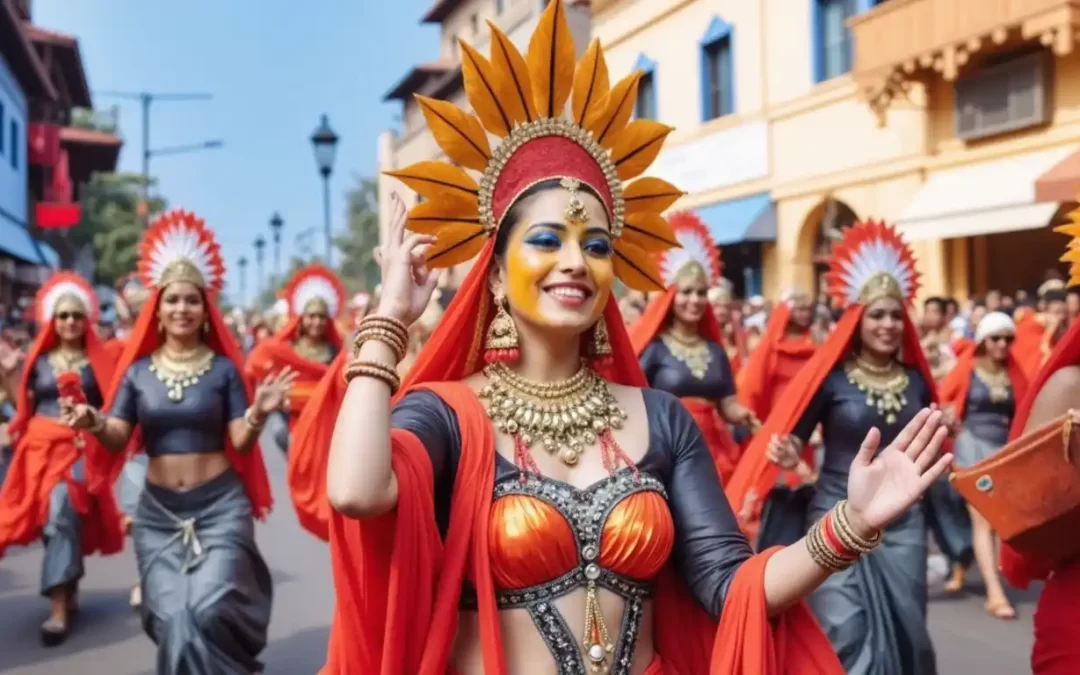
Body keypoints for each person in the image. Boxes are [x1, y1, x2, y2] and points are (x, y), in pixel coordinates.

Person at [318, 4, 953, 673]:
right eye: (546, 240)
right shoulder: (448, 415)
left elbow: (732, 587)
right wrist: (388, 322)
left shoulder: (660, 420)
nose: (574, 261)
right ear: (497, 278)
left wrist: (850, 524)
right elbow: (357, 492)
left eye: (595, 245)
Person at [65, 209, 294, 674]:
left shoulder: (225, 370)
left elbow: (241, 442)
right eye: (173, 301)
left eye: (192, 300)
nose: (182, 309)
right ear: (158, 308)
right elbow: (118, 436)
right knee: (171, 618)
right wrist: (92, 420)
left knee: (208, 609)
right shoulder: (137, 373)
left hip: (220, 507)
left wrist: (258, 411)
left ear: (204, 308)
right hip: (159, 512)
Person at [729, 219, 943, 675]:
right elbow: (794, 440)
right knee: (842, 630)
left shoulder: (920, 382)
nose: (887, 325)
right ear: (856, 319)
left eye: (895, 315)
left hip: (903, 525)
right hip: (835, 512)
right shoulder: (832, 379)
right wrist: (787, 455)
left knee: (911, 634)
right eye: (877, 315)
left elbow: (930, 447)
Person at [0, 273, 123, 645]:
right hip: (38, 448)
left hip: (80, 447)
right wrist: (8, 376)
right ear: (52, 319)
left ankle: (56, 607)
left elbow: (112, 407)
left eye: (76, 315)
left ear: (85, 319)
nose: (70, 321)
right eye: (63, 315)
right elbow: (23, 403)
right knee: (54, 523)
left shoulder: (97, 361)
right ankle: (66, 586)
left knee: (62, 510)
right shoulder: (37, 358)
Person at [630, 211, 758, 484]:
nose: (695, 300)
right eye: (687, 292)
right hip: (666, 447)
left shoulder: (714, 351)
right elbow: (633, 400)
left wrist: (742, 415)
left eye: (701, 293)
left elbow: (727, 404)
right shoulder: (655, 349)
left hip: (713, 451)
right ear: (671, 297)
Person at [938, 311, 1026, 616]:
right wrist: (947, 421)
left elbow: (1026, 410)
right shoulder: (968, 369)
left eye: (1008, 338)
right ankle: (994, 592)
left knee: (1004, 520)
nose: (1002, 344)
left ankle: (981, 569)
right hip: (972, 450)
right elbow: (944, 400)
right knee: (984, 521)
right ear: (983, 340)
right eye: (996, 338)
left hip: (1004, 453)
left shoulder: (1015, 373)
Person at [735, 290, 824, 547]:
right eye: (799, 308)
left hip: (805, 423)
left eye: (808, 309)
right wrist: (752, 423)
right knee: (772, 480)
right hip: (775, 422)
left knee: (801, 480)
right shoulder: (772, 344)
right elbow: (754, 386)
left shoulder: (817, 342)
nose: (804, 314)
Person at [245, 263, 346, 453]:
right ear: (301, 319)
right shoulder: (287, 351)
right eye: (312, 316)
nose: (317, 322)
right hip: (292, 423)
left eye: (322, 317)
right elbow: (257, 365)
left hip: (327, 425)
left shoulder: (335, 353)